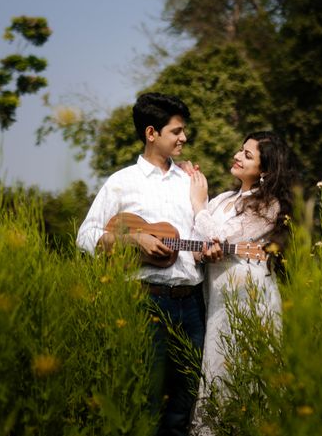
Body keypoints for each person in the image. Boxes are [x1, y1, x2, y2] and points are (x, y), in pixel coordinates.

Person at [76, 92, 221, 436]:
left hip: (192, 304)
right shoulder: (121, 182)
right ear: (151, 133)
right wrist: (131, 240)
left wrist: (208, 251)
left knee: (187, 398)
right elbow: (85, 235)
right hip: (146, 302)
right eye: (177, 131)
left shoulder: (191, 182)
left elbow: (201, 239)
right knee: (147, 396)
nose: (184, 138)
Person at [187, 131, 297, 436]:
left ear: (264, 170)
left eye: (247, 155)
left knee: (245, 371)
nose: (238, 156)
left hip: (249, 295)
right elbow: (200, 241)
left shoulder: (269, 206)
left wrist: (198, 205)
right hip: (219, 297)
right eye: (240, 150)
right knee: (216, 366)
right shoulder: (223, 199)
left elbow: (222, 236)